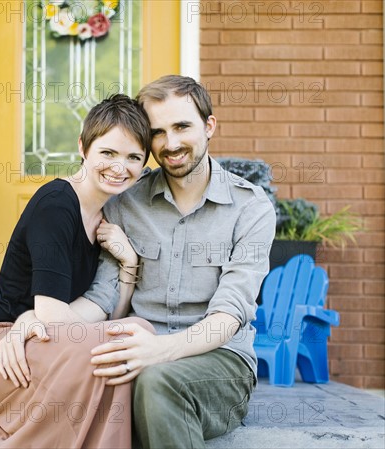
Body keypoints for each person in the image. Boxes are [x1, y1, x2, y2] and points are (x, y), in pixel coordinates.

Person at [81, 75, 277, 448]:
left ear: (209, 126)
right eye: (157, 132)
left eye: (182, 126)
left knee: (156, 380)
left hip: (220, 363)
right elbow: (105, 300)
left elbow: (230, 314)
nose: (170, 144)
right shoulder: (125, 202)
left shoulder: (250, 207)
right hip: (137, 350)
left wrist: (159, 352)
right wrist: (43, 323)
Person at [0, 94, 156, 449]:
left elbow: (107, 312)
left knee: (131, 333)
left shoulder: (106, 219)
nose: (119, 167)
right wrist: (26, 323)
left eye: (133, 157)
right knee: (130, 336)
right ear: (83, 147)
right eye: (108, 153)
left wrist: (129, 264)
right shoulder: (56, 204)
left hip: (46, 345)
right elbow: (55, 318)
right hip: (3, 354)